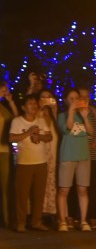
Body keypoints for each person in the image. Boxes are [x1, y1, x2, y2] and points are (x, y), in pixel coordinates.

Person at [9, 94, 52, 232]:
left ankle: (36, 221)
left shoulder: (41, 121)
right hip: (24, 163)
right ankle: (20, 222)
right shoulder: (17, 121)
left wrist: (39, 136)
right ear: (23, 107)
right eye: (30, 103)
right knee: (22, 195)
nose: (33, 106)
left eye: (35, 103)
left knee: (38, 194)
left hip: (41, 162)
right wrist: (28, 133)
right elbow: (11, 138)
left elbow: (49, 136)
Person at [56, 89, 93, 232]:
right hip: (67, 156)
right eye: (71, 98)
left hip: (83, 156)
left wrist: (85, 117)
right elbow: (68, 127)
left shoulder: (84, 114)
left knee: (83, 190)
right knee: (64, 190)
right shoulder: (61, 116)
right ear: (65, 101)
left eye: (76, 98)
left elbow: (90, 132)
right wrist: (71, 110)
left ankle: (83, 221)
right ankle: (63, 221)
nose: (75, 101)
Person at [78, 86, 96, 228]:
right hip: (79, 155)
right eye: (81, 96)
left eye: (86, 96)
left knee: (94, 188)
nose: (84, 99)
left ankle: (93, 216)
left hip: (93, 156)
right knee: (80, 187)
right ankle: (78, 216)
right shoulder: (75, 112)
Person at [38, 88, 60, 224]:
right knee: (40, 183)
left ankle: (51, 211)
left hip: (53, 153)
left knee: (52, 182)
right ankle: (37, 212)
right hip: (39, 154)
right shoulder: (36, 115)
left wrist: (55, 111)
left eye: (49, 97)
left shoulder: (55, 117)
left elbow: (61, 131)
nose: (46, 100)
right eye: (43, 97)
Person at [0, 81, 18, 227]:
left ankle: (5, 217)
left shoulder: (4, 108)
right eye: (3, 88)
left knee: (5, 185)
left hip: (4, 150)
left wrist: (11, 102)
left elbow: (17, 120)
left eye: (6, 88)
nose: (5, 91)